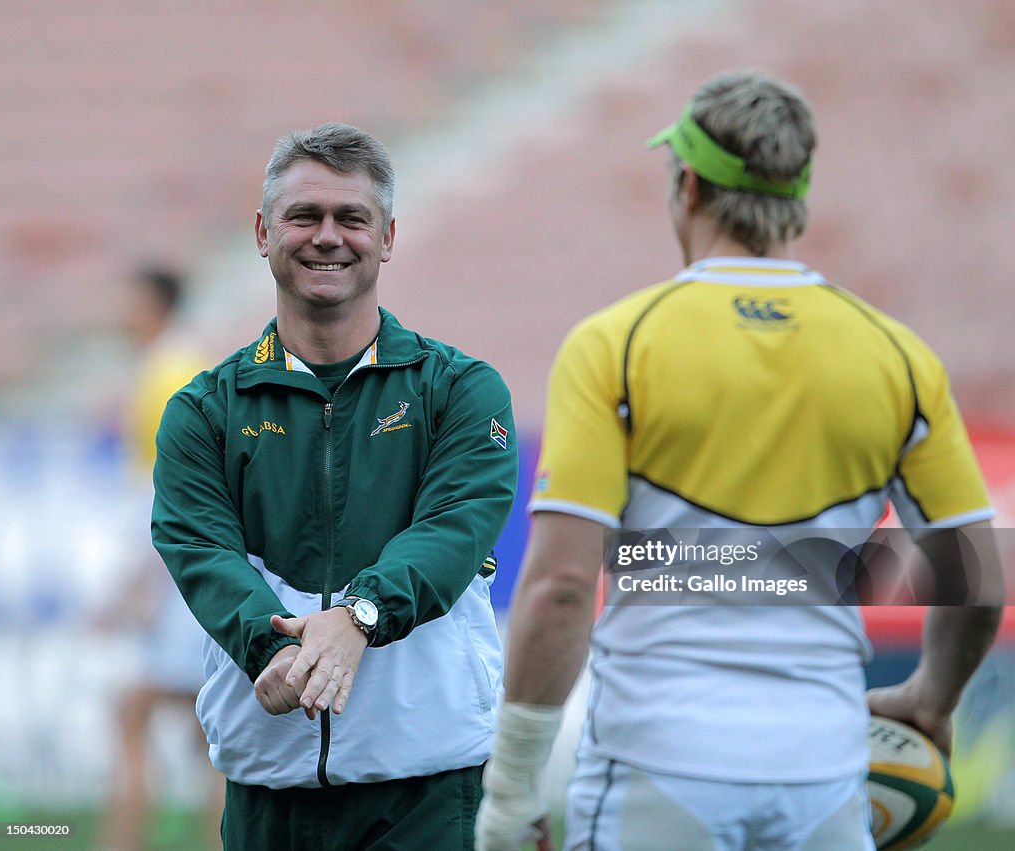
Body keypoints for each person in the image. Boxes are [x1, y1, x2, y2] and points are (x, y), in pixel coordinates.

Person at [476, 71, 1005, 851]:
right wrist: (931, 697)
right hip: (823, 775)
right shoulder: (897, 355)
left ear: (686, 184)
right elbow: (975, 576)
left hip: (655, 766)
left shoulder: (614, 344)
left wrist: (512, 788)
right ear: (799, 200)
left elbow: (558, 586)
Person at [151, 122, 519, 850]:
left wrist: (360, 618)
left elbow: (454, 529)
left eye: (352, 218)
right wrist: (272, 649)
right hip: (266, 788)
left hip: (426, 787)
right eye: (304, 216)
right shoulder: (204, 407)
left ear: (386, 238)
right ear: (263, 231)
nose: (328, 236)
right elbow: (199, 548)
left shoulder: (461, 389)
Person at [97, 265, 222, 851]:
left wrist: (141, 585)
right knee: (204, 735)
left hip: (174, 583)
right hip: (177, 578)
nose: (118, 309)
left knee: (141, 716)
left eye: (126, 297)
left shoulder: (170, 371)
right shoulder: (165, 366)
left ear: (153, 304)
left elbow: (178, 488)